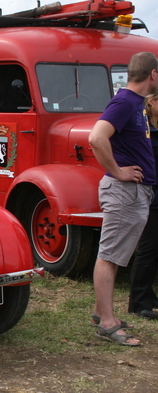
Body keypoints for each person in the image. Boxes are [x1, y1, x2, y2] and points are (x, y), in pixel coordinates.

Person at [88, 52, 158, 346]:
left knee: (117, 255)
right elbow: (96, 137)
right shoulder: (125, 102)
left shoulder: (136, 105)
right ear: (153, 74)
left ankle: (101, 312)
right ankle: (106, 323)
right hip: (123, 191)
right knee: (109, 255)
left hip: (135, 192)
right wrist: (117, 171)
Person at [127, 92, 158, 319]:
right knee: (148, 248)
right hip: (151, 195)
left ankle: (150, 297)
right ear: (152, 101)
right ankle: (139, 301)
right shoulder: (143, 128)